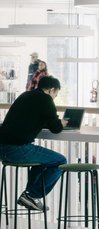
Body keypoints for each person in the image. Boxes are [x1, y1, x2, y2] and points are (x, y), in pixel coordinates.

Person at [0, 75, 68, 212]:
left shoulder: (25, 95)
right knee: (61, 161)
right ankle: (32, 195)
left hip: (3, 148)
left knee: (44, 161)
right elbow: (55, 128)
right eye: (56, 94)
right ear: (52, 90)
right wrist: (63, 123)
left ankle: (30, 196)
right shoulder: (46, 99)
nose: (54, 97)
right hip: (17, 149)